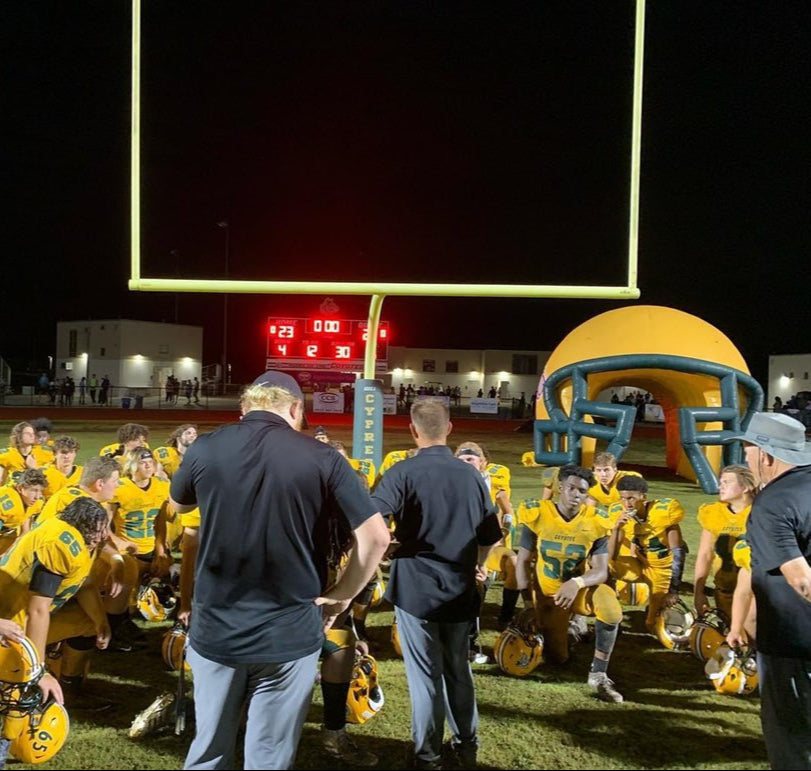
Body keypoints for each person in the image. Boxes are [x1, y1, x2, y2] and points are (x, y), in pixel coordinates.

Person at [169, 370, 389, 771]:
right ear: (295, 409)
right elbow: (376, 537)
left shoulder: (204, 449)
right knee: (268, 757)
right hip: (289, 629)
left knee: (209, 750)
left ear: (243, 408)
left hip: (218, 625)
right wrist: (342, 596)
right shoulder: (323, 457)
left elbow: (180, 506)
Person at [370, 397, 502, 770]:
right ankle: (466, 744)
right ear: (449, 428)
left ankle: (428, 755)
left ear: (412, 430)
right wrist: (477, 565)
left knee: (426, 675)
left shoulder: (403, 471)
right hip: (458, 586)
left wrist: (387, 547)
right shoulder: (472, 475)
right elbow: (490, 533)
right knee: (457, 668)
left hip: (416, 587)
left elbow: (371, 515)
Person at [732, 412, 811, 769]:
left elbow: (802, 582)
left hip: (793, 643)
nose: (745, 459)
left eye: (747, 450)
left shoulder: (772, 504)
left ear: (766, 455)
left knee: (792, 737)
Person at [516, 465, 625, 704]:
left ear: (587, 495)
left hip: (579, 590)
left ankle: (599, 674)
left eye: (582, 491)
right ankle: (572, 633)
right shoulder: (538, 514)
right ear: (560, 488)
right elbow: (523, 562)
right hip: (549, 595)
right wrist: (527, 603)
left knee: (610, 608)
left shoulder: (596, 521)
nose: (576, 494)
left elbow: (601, 570)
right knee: (557, 658)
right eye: (571, 488)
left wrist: (577, 582)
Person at [607, 475, 687, 633]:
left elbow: (678, 552)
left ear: (643, 497)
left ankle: (657, 612)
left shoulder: (664, 512)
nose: (626, 503)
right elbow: (611, 555)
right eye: (622, 498)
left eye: (631, 498)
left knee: (652, 625)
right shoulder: (618, 513)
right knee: (606, 564)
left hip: (662, 569)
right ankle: (606, 607)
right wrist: (616, 529)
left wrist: (674, 590)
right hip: (639, 563)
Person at [693, 465, 756, 619]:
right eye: (721, 482)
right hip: (724, 590)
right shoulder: (714, 513)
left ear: (746, 487)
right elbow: (705, 555)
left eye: (727, 482)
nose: (721, 486)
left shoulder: (761, 512)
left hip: (755, 594)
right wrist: (698, 592)